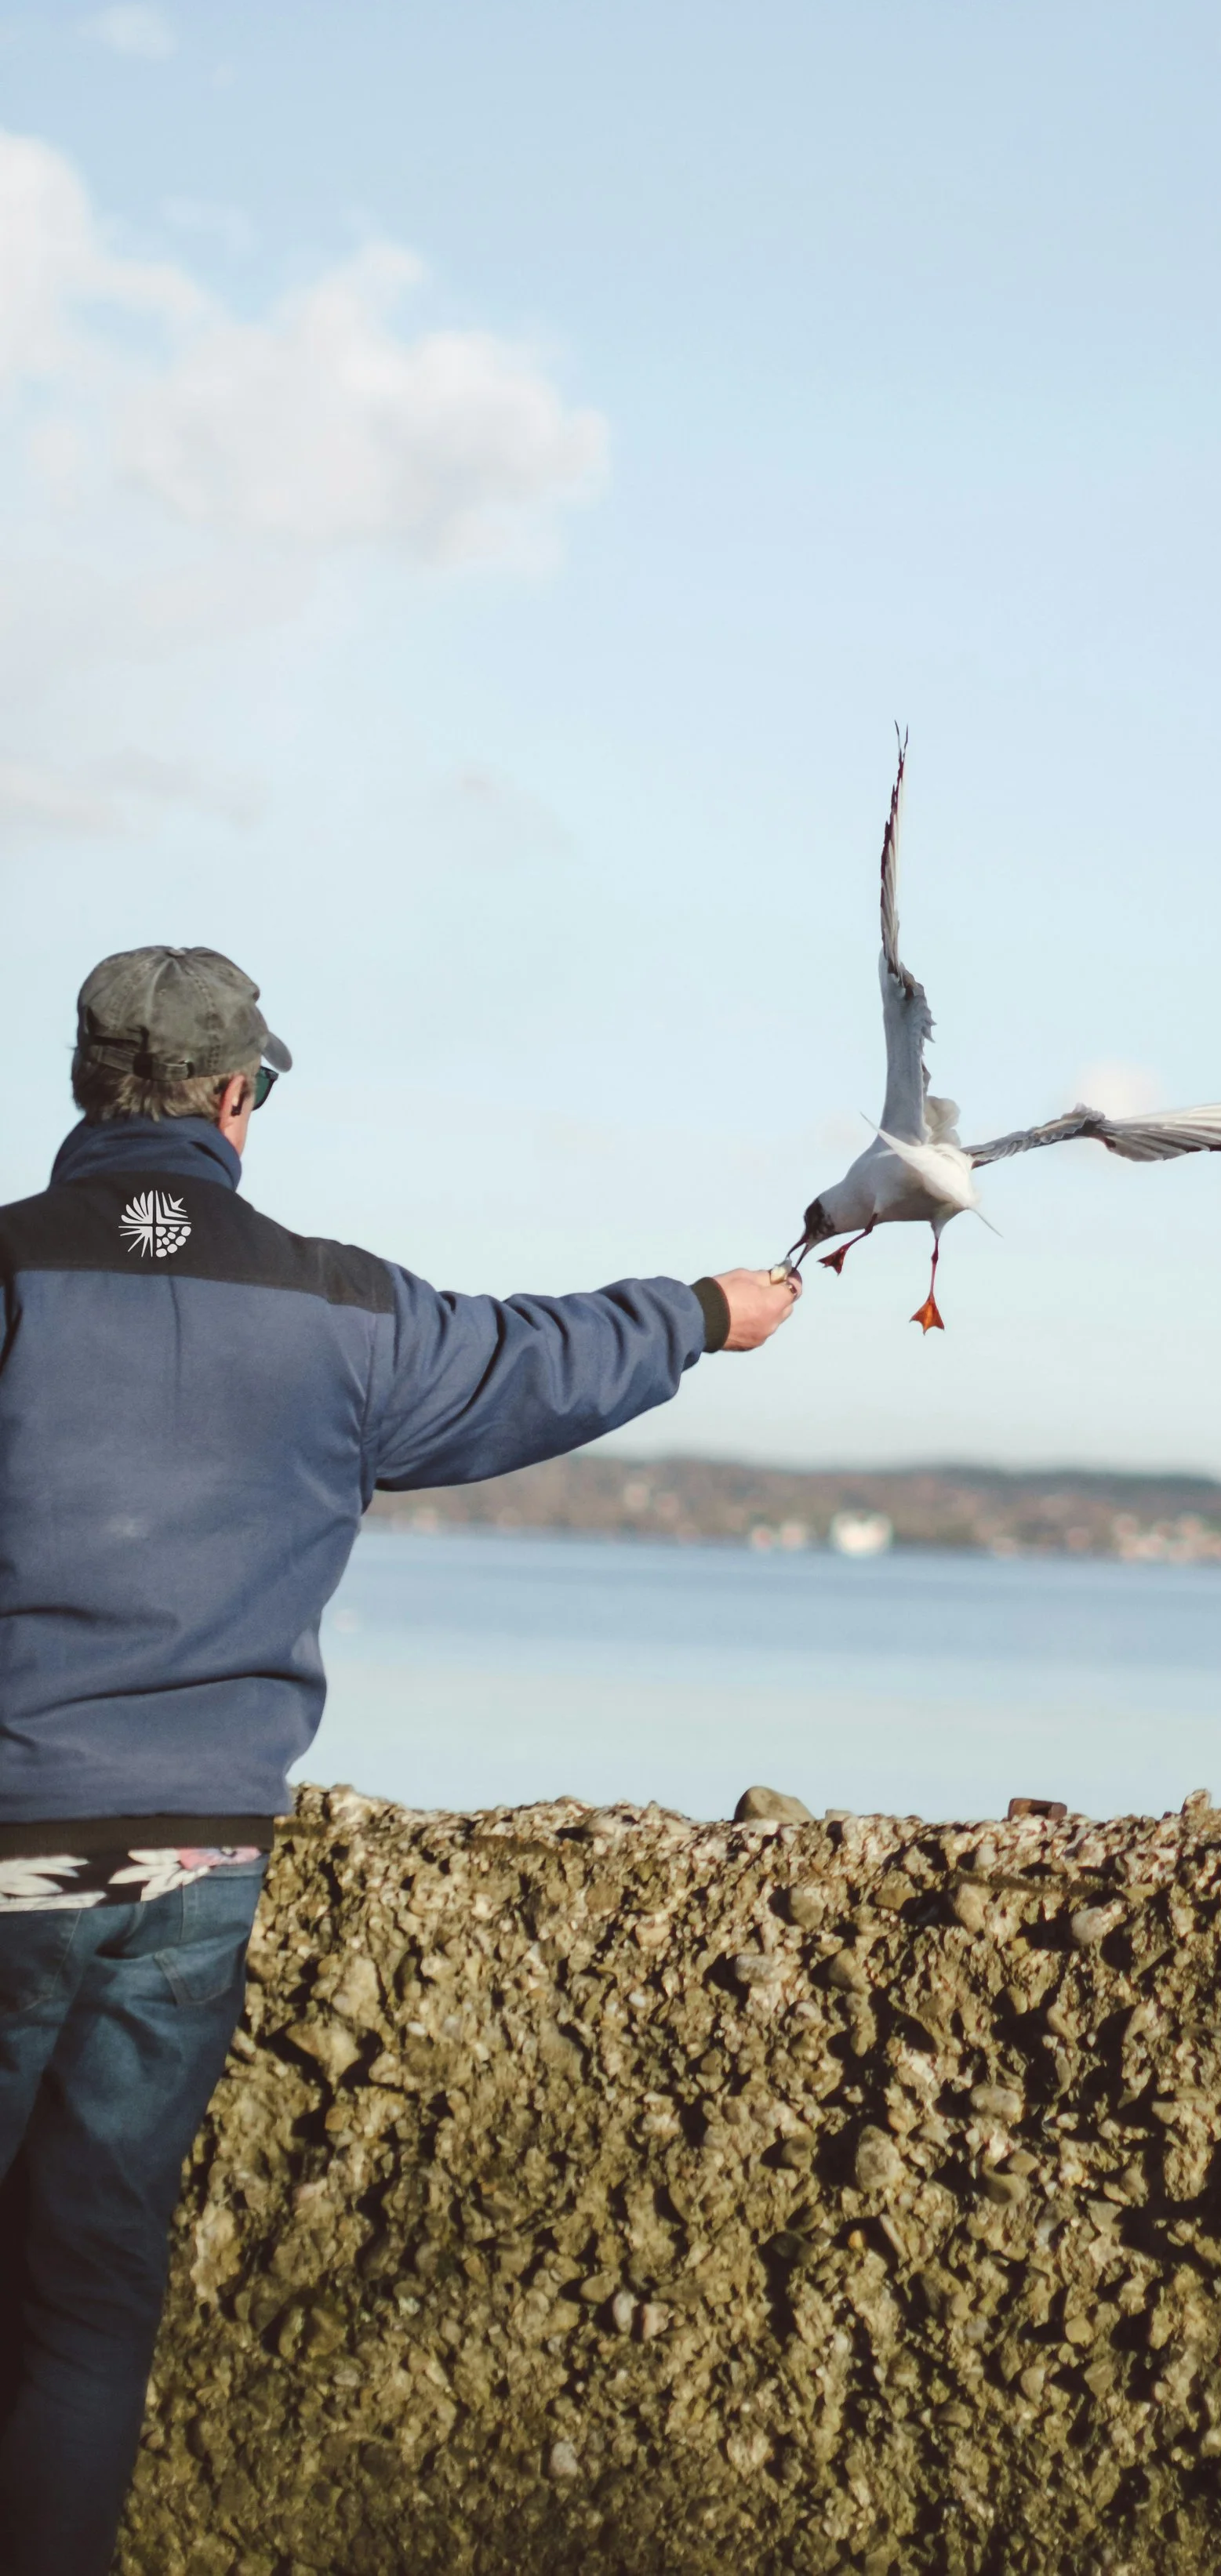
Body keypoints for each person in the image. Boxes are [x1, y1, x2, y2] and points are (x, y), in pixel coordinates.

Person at [0, 945, 799, 2576]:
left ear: (91, 1092)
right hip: (192, 1867)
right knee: (86, 2291)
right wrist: (705, 1313)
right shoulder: (336, 1307)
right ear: (236, 1102)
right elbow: (532, 1358)